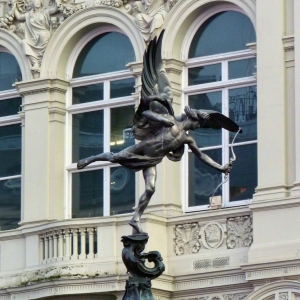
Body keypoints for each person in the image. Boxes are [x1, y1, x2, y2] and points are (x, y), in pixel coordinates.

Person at [77, 106, 234, 233]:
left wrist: (221, 168)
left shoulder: (187, 138)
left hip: (151, 160)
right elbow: (146, 112)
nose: (198, 126)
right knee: (114, 157)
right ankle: (90, 159)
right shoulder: (170, 121)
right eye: (198, 123)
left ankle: (135, 219)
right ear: (192, 118)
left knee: (150, 189)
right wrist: (161, 120)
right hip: (141, 148)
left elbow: (201, 156)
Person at [14, 0, 58, 72]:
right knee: (24, 42)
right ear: (32, 3)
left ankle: (43, 61)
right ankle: (35, 63)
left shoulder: (45, 12)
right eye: (35, 1)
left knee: (43, 35)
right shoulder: (29, 14)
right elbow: (18, 17)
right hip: (34, 37)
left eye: (38, 1)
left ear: (41, 2)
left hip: (44, 33)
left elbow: (56, 9)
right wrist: (14, 4)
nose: (37, 2)